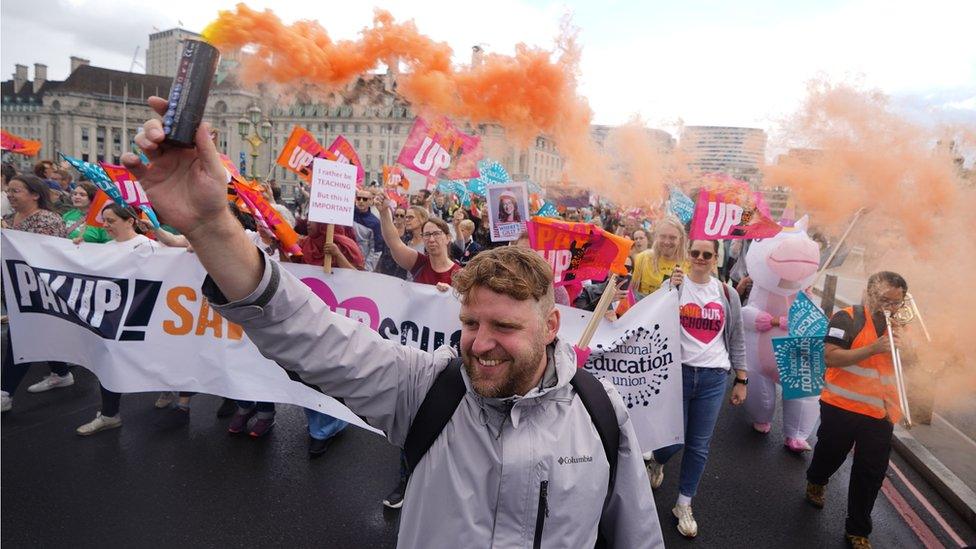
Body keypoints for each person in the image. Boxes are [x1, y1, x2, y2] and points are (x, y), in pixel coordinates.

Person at [123, 101, 664, 546]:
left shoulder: (600, 413)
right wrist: (210, 224)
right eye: (471, 321)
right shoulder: (427, 388)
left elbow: (636, 537)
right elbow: (307, 333)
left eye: (505, 327)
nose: (480, 344)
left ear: (550, 327)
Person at [644, 238, 748, 539]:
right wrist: (669, 289)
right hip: (677, 374)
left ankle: (684, 503)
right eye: (695, 253)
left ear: (716, 258)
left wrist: (742, 379)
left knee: (699, 445)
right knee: (673, 440)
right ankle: (659, 461)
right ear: (687, 255)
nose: (700, 258)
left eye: (707, 254)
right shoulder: (674, 287)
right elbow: (652, 322)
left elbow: (738, 339)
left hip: (714, 376)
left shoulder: (727, 294)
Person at [805, 271, 915, 549]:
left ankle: (858, 529)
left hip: (880, 414)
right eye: (883, 300)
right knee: (830, 455)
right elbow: (830, 357)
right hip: (841, 406)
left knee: (870, 473)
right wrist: (874, 348)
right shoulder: (847, 317)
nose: (888, 308)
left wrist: (911, 352)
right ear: (869, 293)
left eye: (895, 303)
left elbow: (911, 368)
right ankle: (817, 479)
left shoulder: (903, 328)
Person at [74, 204, 188, 434]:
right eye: (104, 220)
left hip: (144, 318)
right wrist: (76, 251)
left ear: (130, 221)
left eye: (111, 221)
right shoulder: (105, 247)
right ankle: (109, 414)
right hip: (112, 319)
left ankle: (167, 387)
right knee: (109, 361)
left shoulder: (148, 246)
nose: (106, 225)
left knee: (153, 359)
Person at [1, 174, 73, 411]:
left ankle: (5, 393)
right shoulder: (11, 218)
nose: (10, 195)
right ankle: (62, 373)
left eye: (16, 191)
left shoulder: (46, 219)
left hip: (39, 290)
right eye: (8, 190)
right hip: (15, 287)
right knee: (40, 334)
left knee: (21, 337)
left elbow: (41, 256)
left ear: (35, 194)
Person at [632, 216, 690, 300]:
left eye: (672, 237)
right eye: (663, 236)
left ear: (680, 239)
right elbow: (632, 295)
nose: (666, 242)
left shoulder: (689, 264)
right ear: (657, 236)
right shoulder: (642, 258)